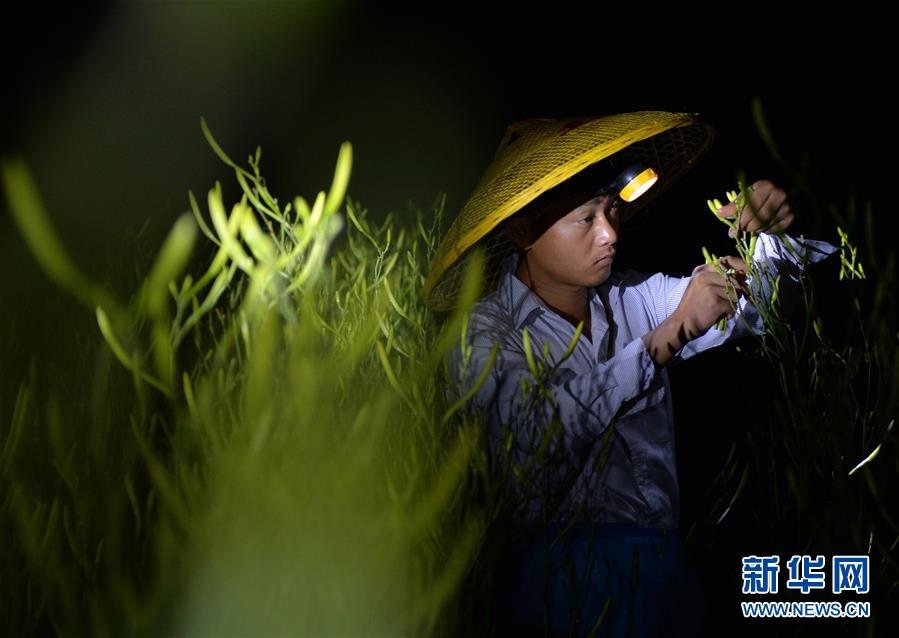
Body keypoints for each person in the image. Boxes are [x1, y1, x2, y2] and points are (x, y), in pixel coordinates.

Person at [420, 112, 839, 637]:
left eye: (613, 210)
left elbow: (762, 314)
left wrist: (771, 238)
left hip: (663, 571)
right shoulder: (484, 333)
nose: (609, 234)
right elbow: (530, 435)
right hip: (558, 586)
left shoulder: (633, 299)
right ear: (523, 229)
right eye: (586, 219)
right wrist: (664, 339)